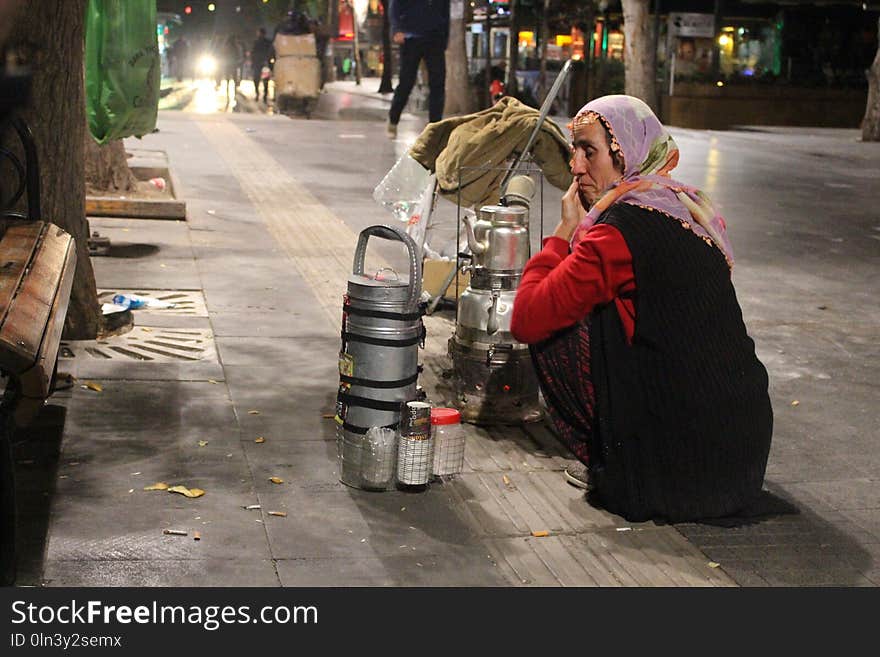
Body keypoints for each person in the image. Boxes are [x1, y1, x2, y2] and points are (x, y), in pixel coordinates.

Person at [510, 95, 773, 523]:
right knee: (591, 302)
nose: (575, 166)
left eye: (589, 151)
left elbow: (526, 319)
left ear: (625, 153)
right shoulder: (683, 207)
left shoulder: (616, 233)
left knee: (560, 319)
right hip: (740, 458)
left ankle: (612, 463)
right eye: (574, 150)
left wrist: (560, 235)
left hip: (679, 479)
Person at [386, 0, 450, 139]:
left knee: (438, 83)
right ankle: (393, 119)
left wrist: (444, 39)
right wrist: (397, 29)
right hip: (411, 37)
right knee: (406, 82)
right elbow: (395, 6)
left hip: (435, 37)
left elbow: (446, 11)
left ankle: (434, 128)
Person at [250, 27, 274, 103]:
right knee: (264, 80)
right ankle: (264, 95)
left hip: (259, 63)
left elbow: (253, 53)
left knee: (257, 79)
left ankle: (259, 94)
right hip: (264, 63)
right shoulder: (267, 42)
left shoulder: (256, 42)